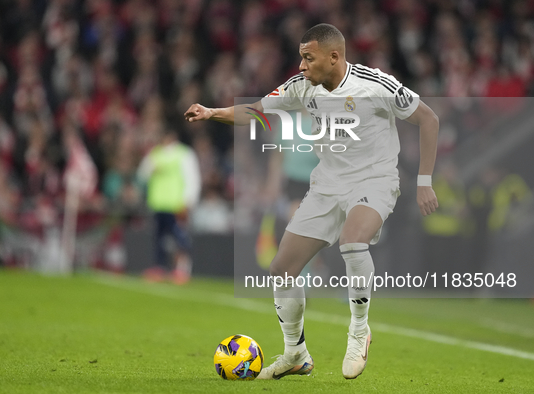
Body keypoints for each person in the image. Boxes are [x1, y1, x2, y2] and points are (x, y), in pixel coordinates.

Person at [184, 24, 439, 380]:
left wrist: (424, 181)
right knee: (281, 270)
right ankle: (295, 354)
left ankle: (360, 331)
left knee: (352, 241)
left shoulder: (374, 84)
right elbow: (257, 111)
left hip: (375, 181)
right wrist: (213, 112)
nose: (301, 66)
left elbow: (428, 118)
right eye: (301, 57)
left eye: (309, 58)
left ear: (334, 57)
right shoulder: (302, 87)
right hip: (326, 186)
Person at [137, 129, 201, 285]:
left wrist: (188, 201)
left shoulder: (184, 154)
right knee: (159, 237)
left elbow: (192, 178)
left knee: (179, 236)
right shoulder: (155, 154)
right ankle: (160, 267)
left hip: (176, 204)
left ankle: (182, 269)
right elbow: (142, 175)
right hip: (159, 203)